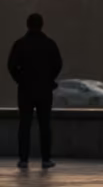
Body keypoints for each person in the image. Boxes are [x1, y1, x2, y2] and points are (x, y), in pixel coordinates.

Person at [7, 12, 63, 170]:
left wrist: (20, 79)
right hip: (44, 90)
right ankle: (46, 159)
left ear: (28, 25)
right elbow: (58, 64)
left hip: (25, 90)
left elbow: (11, 66)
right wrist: (49, 78)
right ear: (41, 25)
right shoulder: (49, 44)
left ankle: (23, 159)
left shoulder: (20, 44)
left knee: (24, 124)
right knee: (45, 124)